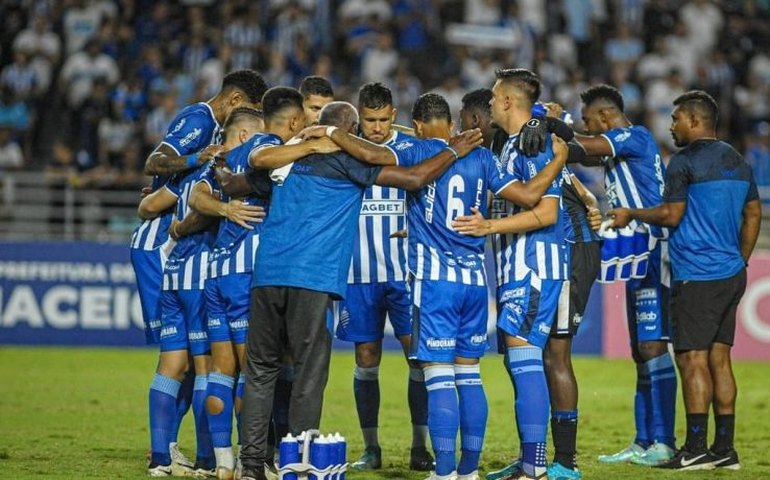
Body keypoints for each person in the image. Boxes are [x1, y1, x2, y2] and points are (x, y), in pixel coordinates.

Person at [237, 90, 484, 480]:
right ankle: (298, 462)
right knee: (308, 373)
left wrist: (216, 173)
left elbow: (238, 182)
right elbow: (414, 178)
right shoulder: (346, 162)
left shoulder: (282, 160)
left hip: (266, 276)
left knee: (260, 371)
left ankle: (251, 465)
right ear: (351, 131)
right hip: (312, 278)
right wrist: (453, 150)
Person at [321, 90, 568, 480]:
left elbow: (370, 154)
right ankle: (469, 470)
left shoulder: (416, 151)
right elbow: (528, 195)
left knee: (438, 376)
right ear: (450, 124)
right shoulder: (483, 157)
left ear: (418, 126)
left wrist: (331, 131)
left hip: (435, 284)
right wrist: (557, 161)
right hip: (475, 283)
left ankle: (445, 471)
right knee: (469, 376)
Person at [609, 90, 761, 471]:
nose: (671, 126)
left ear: (695, 120)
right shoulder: (738, 160)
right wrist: (740, 259)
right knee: (720, 360)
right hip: (730, 274)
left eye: (676, 119)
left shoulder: (684, 161)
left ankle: (694, 448)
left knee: (692, 360)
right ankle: (724, 449)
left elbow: (671, 214)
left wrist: (632, 213)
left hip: (696, 275)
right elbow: (754, 213)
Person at [132, 69, 267, 476]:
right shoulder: (210, 144)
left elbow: (147, 206)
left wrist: (174, 214)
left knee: (177, 362)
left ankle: (163, 455)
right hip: (194, 267)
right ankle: (214, 457)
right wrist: (201, 178)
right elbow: (155, 164)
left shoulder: (201, 171)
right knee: (213, 365)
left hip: (173, 264)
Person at [452, 68, 567, 480]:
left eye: (493, 97)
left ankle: (534, 468)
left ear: (505, 101)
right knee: (519, 361)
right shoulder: (511, 145)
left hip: (533, 265)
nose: (489, 104)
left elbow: (547, 212)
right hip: (515, 266)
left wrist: (489, 226)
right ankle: (528, 461)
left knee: (525, 359)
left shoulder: (533, 146)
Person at [573, 84, 678, 466]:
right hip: (635, 254)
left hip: (654, 250)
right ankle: (643, 440)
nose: (587, 127)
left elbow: (583, 147)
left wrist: (553, 125)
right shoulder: (617, 151)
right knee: (639, 350)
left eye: (588, 120)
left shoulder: (636, 136)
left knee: (653, 346)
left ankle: (664, 443)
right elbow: (582, 149)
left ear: (605, 117)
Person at [333, 82, 432, 472]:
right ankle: (371, 448)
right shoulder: (346, 149)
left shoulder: (410, 148)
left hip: (405, 274)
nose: (376, 128)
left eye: (382, 120)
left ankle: (420, 445)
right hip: (358, 275)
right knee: (366, 357)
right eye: (369, 120)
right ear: (360, 117)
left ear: (394, 115)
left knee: (417, 358)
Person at [186, 107, 266, 479]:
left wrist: (221, 209)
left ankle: (222, 462)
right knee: (253, 372)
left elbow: (196, 197)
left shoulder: (216, 166)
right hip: (245, 274)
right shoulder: (254, 160)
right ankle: (253, 460)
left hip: (215, 272)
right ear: (247, 135)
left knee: (221, 370)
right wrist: (230, 211)